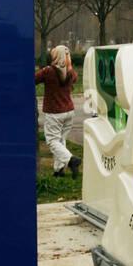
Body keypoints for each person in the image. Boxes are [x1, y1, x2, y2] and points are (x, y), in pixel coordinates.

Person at [35, 45, 81, 177]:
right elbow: (75, 78)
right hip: (69, 111)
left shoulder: (48, 71)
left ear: (56, 57)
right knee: (61, 140)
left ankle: (71, 160)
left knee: (52, 141)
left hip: (55, 112)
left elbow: (34, 79)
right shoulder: (71, 73)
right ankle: (58, 170)